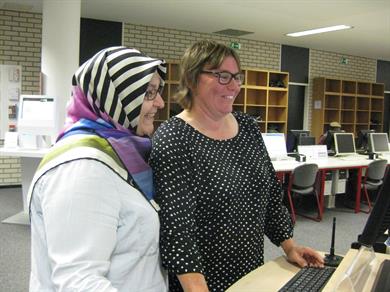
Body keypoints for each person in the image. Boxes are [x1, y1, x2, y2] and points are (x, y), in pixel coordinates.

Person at [150, 40, 324, 292]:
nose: (233, 86)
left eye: (236, 77)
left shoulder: (248, 128)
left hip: (251, 275)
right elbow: (177, 230)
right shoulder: (173, 138)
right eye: (222, 76)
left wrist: (289, 245)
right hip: (202, 282)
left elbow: (271, 197)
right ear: (191, 79)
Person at [28, 47, 168, 291]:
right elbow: (79, 281)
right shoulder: (81, 168)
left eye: (158, 91)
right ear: (114, 98)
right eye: (148, 93)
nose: (160, 102)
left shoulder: (120, 151)